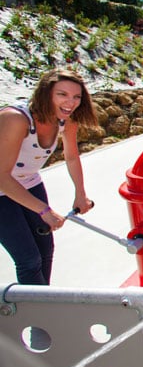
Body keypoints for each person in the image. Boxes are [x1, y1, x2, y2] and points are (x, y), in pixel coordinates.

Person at [0, 69, 97, 285]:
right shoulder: (16, 119)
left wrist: (80, 194)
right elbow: (2, 176)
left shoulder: (66, 120)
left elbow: (71, 157)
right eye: (62, 94)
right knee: (28, 259)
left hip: (28, 180)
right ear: (46, 93)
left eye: (76, 97)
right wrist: (44, 210)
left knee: (45, 251)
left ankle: (43, 301)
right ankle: (35, 314)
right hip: (2, 185)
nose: (70, 102)